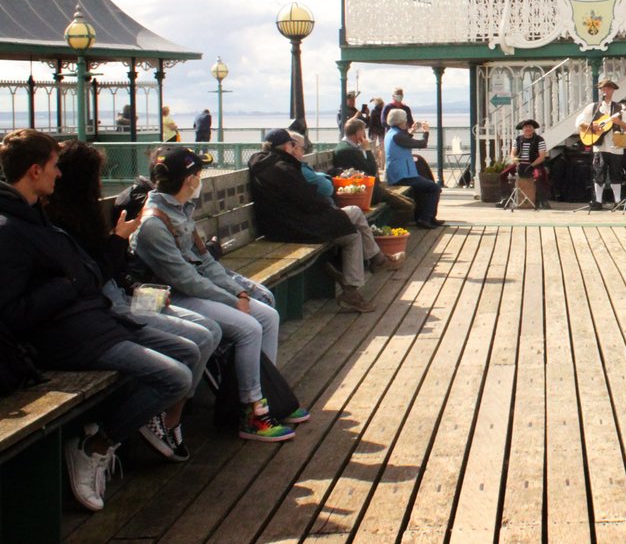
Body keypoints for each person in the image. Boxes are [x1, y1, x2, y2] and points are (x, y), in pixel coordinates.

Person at [0, 130, 197, 511]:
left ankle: (138, 432)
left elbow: (88, 275)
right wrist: (67, 285)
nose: (59, 175)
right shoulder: (10, 232)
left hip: (96, 322)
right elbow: (11, 314)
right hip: (68, 339)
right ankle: (95, 446)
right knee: (176, 376)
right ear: (35, 170)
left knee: (188, 351)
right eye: (55, 167)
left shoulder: (39, 219)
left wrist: (117, 241)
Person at [45, 141, 221, 463]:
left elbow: (108, 272)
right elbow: (94, 278)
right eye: (96, 175)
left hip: (120, 296)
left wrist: (128, 268)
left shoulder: (82, 215)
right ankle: (153, 420)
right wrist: (117, 241)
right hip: (105, 312)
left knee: (206, 335)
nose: (100, 182)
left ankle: (169, 417)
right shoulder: (61, 225)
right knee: (197, 342)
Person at [130, 147, 307, 443]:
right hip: (169, 298)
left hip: (191, 289)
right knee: (249, 327)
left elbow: (206, 262)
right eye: (199, 173)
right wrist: (232, 301)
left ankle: (267, 396)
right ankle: (252, 411)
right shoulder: (154, 223)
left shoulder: (179, 210)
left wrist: (240, 290)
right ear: (189, 179)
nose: (201, 179)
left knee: (268, 316)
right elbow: (184, 280)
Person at [249, 130, 381, 311]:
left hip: (278, 224)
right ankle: (360, 279)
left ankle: (361, 277)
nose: (295, 148)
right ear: (287, 146)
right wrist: (328, 208)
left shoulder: (262, 164)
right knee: (352, 231)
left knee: (351, 226)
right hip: (292, 225)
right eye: (293, 145)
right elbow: (309, 199)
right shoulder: (282, 168)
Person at [333, 117, 416, 228]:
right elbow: (372, 170)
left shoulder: (348, 147)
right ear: (358, 132)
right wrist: (367, 149)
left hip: (369, 188)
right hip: (366, 192)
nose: (364, 133)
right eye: (363, 130)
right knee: (408, 206)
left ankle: (387, 231)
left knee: (410, 201)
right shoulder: (348, 150)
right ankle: (386, 233)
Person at [575, 79, 626, 211]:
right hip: (599, 146)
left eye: (608, 89)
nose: (606, 91)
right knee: (598, 172)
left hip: (616, 146)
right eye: (603, 89)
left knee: (616, 173)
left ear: (613, 91)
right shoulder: (593, 107)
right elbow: (579, 123)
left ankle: (617, 201)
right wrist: (592, 125)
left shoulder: (620, 108)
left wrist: (619, 122)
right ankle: (598, 201)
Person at [384, 112, 443, 229]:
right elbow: (422, 143)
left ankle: (429, 217)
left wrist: (412, 130)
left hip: (400, 174)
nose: (406, 122)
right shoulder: (397, 136)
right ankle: (425, 218)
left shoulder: (391, 133)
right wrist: (426, 132)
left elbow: (404, 140)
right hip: (403, 176)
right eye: (405, 120)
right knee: (434, 188)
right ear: (400, 122)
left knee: (426, 187)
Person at [502, 120, 550, 208]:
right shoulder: (518, 139)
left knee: (540, 176)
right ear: (523, 129)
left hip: (534, 164)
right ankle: (505, 198)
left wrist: (531, 166)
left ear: (533, 129)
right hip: (520, 164)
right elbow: (512, 153)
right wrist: (515, 160)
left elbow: (542, 156)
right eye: (526, 127)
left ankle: (542, 200)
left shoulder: (539, 139)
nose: (528, 129)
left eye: (530, 127)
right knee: (503, 174)